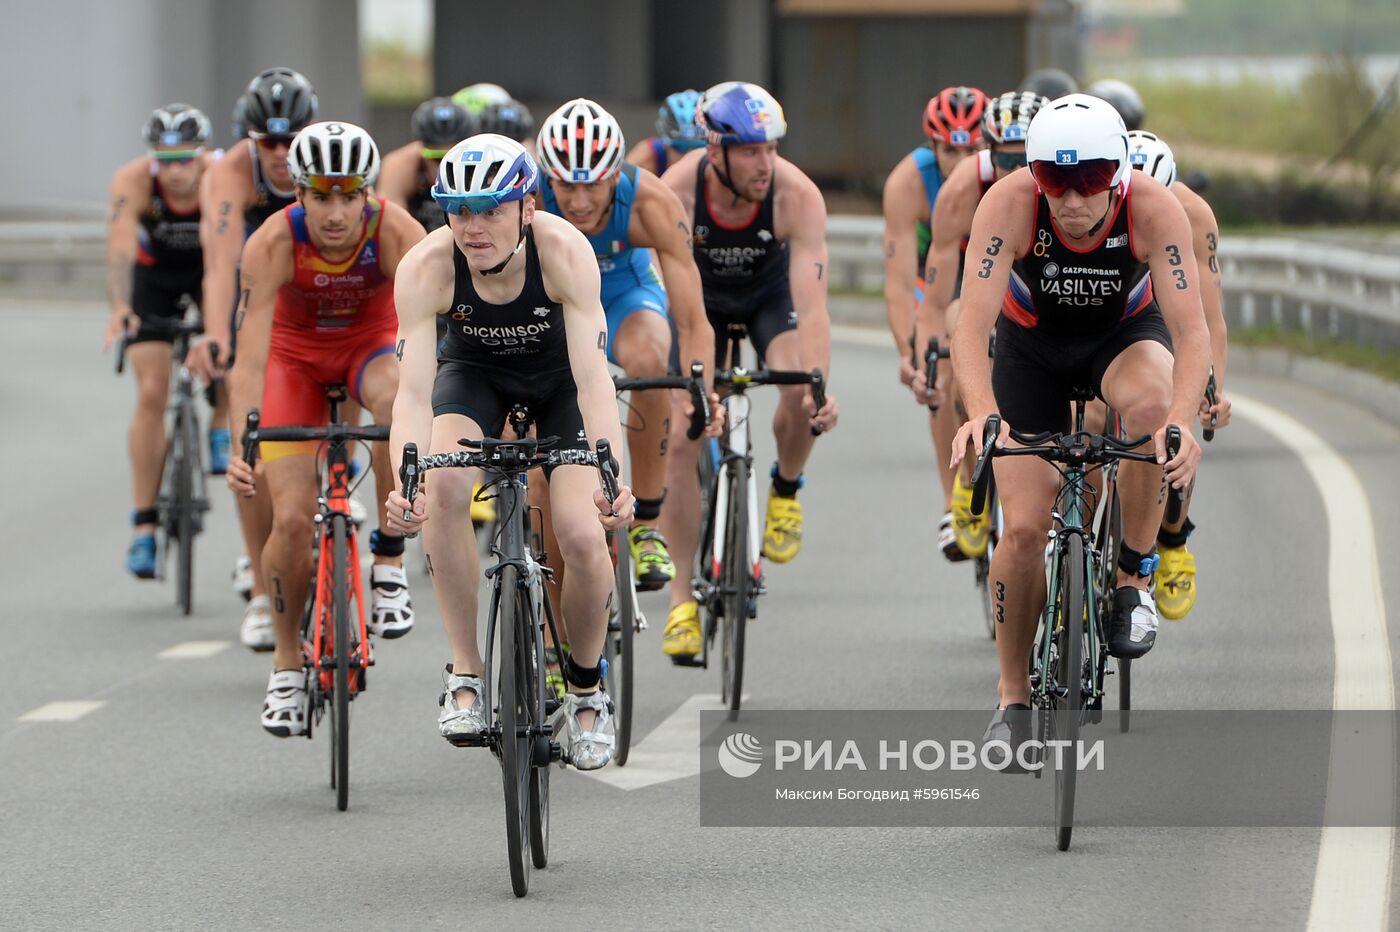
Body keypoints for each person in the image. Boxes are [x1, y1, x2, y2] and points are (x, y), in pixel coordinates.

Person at [946, 95, 1209, 749]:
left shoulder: (1153, 208)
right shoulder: (1008, 203)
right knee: (1026, 529)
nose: (1071, 197)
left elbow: (1192, 331)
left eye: (1090, 178)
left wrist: (1182, 419)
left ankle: (1132, 577)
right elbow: (972, 325)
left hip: (1122, 338)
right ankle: (1012, 701)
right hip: (1031, 351)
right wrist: (983, 416)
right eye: (1054, 178)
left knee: (1149, 410)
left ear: (1118, 174)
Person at [384, 134, 634, 770]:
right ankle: (466, 671)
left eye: (491, 209)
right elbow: (411, 398)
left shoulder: (564, 252)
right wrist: (404, 484)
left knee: (580, 534)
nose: (474, 227)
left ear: (527, 208)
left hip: (560, 386)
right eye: (461, 210)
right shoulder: (425, 267)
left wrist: (611, 475)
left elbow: (595, 380)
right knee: (443, 490)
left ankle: (585, 688)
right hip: (476, 378)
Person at [223, 122, 427, 736]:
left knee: (396, 397)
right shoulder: (270, 243)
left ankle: (389, 562)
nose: (335, 213)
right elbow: (250, 360)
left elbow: (428, 338)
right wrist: (242, 442)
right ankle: (287, 666)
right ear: (298, 194)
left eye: (349, 196)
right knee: (288, 519)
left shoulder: (396, 231)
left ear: (369, 193)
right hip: (294, 360)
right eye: (320, 197)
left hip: (369, 348)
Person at [656, 81, 840, 660]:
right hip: (698, 304)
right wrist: (695, 382)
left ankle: (785, 489)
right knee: (684, 439)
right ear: (715, 151)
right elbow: (670, 301)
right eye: (751, 151)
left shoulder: (796, 196)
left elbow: (812, 309)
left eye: (772, 149)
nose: (766, 164)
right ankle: (681, 601)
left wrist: (817, 384)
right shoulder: (676, 194)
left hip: (767, 298)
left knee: (795, 388)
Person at [536, 97, 717, 591]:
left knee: (650, 357)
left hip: (622, 290)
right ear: (544, 179)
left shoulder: (651, 201)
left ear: (616, 174)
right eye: (566, 185)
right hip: (548, 302)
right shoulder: (523, 200)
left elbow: (693, 318)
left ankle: (648, 525)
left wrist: (700, 385)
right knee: (535, 468)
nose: (578, 201)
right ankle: (552, 636)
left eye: (593, 183)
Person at [190, 67, 318, 651]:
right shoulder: (229, 172)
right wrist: (219, 334)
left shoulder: (328, 157)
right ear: (249, 138)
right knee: (254, 443)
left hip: (319, 295)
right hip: (257, 296)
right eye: (268, 141)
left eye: (290, 140)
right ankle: (262, 590)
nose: (280, 153)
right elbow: (219, 263)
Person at [910, 90, 1049, 562]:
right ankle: (968, 490)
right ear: (986, 153)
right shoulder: (961, 192)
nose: (1015, 172)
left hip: (1042, 289)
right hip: (978, 288)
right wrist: (928, 359)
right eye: (1004, 160)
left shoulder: (1063, 186)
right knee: (956, 344)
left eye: (1026, 159)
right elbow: (934, 299)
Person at [104, 104, 220, 578]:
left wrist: (216, 330)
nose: (175, 171)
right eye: (164, 160)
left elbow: (221, 256)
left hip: (206, 273)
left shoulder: (220, 176)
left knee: (227, 353)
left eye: (185, 159)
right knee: (151, 389)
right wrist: (120, 306)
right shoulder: (133, 180)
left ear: (203, 155)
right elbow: (119, 248)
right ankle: (144, 526)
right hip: (153, 281)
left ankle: (220, 425)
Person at [1125, 129, 1231, 620]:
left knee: (1174, 421)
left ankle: (1172, 538)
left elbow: (1208, 318)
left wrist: (1212, 389)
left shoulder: (1192, 215)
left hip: (1170, 322)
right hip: (1119, 322)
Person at [880, 85, 987, 557]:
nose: (962, 161)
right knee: (942, 367)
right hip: (939, 276)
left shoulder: (1006, 174)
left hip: (990, 267)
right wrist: (910, 353)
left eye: (973, 149)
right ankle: (954, 501)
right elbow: (902, 283)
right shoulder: (908, 183)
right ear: (933, 147)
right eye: (950, 150)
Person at [378, 96, 479, 233]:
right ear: (421, 149)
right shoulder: (401, 165)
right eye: (436, 158)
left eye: (454, 157)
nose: (444, 166)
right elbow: (391, 227)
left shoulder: (483, 166)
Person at [625, 89, 707, 176]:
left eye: (699, 148)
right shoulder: (647, 157)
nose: (689, 157)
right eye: (681, 147)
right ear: (666, 143)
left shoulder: (719, 164)